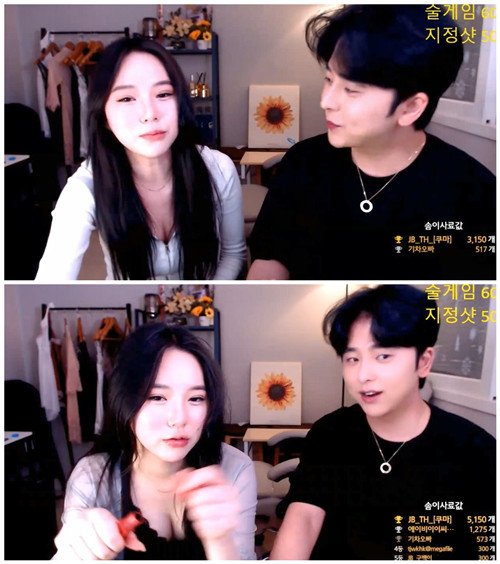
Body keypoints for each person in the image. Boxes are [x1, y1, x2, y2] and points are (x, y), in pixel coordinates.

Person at [248, 5, 496, 280]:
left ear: (410, 107)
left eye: (351, 90)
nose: (326, 101)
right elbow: (271, 256)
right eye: (329, 79)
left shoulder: (475, 194)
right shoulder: (303, 162)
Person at [270, 285, 496, 559]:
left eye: (383, 356)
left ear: (424, 362)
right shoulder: (329, 434)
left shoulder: (477, 451)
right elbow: (304, 518)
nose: (363, 375)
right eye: (352, 358)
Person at [36, 37, 246, 280]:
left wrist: (202, 297)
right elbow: (51, 282)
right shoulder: (84, 188)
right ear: (104, 116)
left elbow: (233, 254)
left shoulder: (218, 168)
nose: (149, 114)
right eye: (126, 98)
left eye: (163, 94)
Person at [53, 323, 257, 560]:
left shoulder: (235, 469)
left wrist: (221, 543)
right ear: (126, 400)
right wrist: (76, 551)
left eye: (196, 398)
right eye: (157, 397)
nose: (178, 419)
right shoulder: (93, 476)